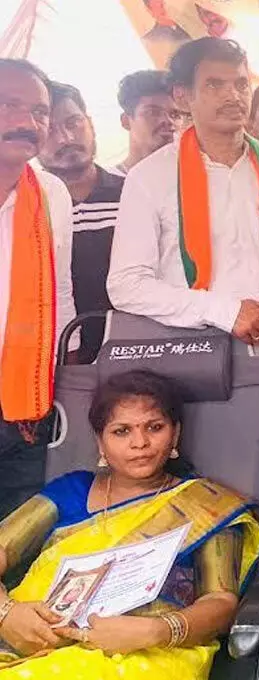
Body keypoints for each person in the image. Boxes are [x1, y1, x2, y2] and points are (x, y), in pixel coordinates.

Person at [0, 370, 259, 680]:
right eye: (121, 431)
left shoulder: (206, 505)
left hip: (149, 654)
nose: (139, 442)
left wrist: (156, 631)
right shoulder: (72, 490)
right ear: (100, 441)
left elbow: (220, 601)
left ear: (176, 434)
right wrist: (6, 613)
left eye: (154, 427)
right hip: (35, 637)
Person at [108, 39, 259, 354]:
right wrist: (224, 311)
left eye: (241, 84)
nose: (233, 95)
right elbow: (126, 285)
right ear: (183, 96)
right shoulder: (150, 177)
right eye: (215, 84)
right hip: (197, 362)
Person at [0, 60, 75, 520]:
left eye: (40, 112)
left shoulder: (51, 193)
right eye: (10, 106)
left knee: (15, 535)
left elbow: (59, 293)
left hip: (25, 402)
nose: (28, 123)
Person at [38, 81, 125, 364]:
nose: (65, 138)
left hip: (133, 353)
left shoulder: (135, 194)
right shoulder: (24, 208)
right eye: (50, 129)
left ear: (91, 124)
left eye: (73, 122)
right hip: (52, 364)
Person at [113, 69, 183, 177]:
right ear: (126, 121)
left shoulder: (192, 179)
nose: (168, 121)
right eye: (153, 112)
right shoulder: (107, 186)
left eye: (175, 114)